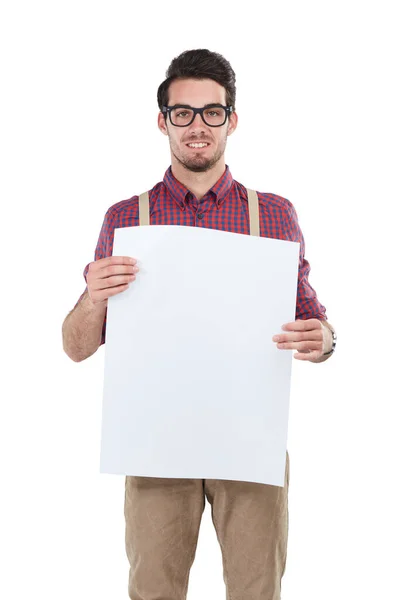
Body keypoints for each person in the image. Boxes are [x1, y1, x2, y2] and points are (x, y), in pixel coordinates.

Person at [62, 48, 336, 600]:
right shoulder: (126, 218)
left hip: (249, 441)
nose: (197, 126)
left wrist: (324, 339)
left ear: (231, 121)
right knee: (154, 591)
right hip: (154, 443)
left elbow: (313, 319)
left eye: (212, 112)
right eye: (182, 113)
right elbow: (76, 347)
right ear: (163, 121)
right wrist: (94, 299)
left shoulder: (274, 214)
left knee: (258, 591)